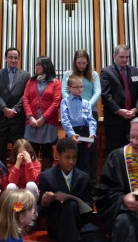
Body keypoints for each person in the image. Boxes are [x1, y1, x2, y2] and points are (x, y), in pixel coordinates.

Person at [39, 138, 102, 242]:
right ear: (58, 155)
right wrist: (44, 200)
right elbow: (42, 211)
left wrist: (82, 206)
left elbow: (89, 206)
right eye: (67, 157)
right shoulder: (46, 176)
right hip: (58, 224)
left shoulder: (84, 177)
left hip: (79, 222)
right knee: (70, 205)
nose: (71, 161)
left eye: (74, 157)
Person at [61, 49, 101, 187]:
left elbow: (97, 92)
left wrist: (86, 105)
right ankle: (72, 184)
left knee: (90, 154)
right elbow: (64, 92)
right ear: (75, 62)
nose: (82, 65)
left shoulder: (94, 74)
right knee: (73, 153)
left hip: (89, 113)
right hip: (73, 117)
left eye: (84, 63)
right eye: (79, 63)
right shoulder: (68, 74)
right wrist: (75, 104)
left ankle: (92, 185)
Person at [100, 44, 138, 154]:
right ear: (114, 56)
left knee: (133, 151)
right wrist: (119, 110)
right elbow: (105, 95)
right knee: (115, 152)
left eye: (127, 57)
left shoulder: (136, 71)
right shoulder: (106, 72)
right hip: (114, 120)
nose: (125, 59)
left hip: (133, 119)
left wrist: (136, 109)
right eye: (121, 57)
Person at [0, 48, 30, 164]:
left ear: (19, 59)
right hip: (1, 117)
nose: (13, 60)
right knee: (0, 150)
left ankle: (16, 177)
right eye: (10, 57)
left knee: (18, 150)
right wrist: (4, 108)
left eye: (16, 58)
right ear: (5, 58)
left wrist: (14, 110)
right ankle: (1, 176)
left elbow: (26, 95)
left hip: (17, 117)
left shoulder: (25, 75)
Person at [23, 56, 61, 170]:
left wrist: (43, 118)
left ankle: (45, 179)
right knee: (31, 150)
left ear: (47, 66)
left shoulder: (56, 82)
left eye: (40, 64)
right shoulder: (31, 81)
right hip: (32, 122)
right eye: (36, 65)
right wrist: (30, 117)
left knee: (47, 151)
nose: (37, 67)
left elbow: (56, 102)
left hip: (48, 122)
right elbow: (25, 99)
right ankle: (32, 178)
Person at [61, 75, 97, 174]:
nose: (80, 89)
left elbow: (91, 120)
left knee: (84, 161)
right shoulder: (65, 102)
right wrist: (72, 134)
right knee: (70, 161)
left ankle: (85, 187)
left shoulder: (86, 103)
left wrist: (92, 134)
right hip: (72, 133)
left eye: (81, 86)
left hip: (84, 133)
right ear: (69, 88)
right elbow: (65, 120)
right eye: (76, 87)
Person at [7, 139, 41, 210]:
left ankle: (32, 211)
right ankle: (15, 211)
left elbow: (30, 179)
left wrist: (28, 162)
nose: (23, 157)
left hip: (31, 192)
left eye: (25, 154)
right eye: (20, 154)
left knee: (30, 184)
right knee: (11, 186)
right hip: (19, 191)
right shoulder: (15, 164)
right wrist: (17, 164)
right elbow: (12, 181)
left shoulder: (36, 164)